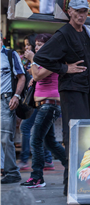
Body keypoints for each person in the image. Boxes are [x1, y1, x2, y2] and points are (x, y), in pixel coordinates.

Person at [33, 0, 90, 195]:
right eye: (77, 11)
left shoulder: (87, 31)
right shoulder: (63, 34)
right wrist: (65, 68)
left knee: (84, 136)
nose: (81, 15)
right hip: (71, 91)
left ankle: (77, 183)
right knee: (74, 136)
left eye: (84, 11)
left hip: (85, 90)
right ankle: (71, 185)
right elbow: (40, 57)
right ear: (69, 11)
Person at [20, 33, 67, 188]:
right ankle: (72, 166)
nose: (38, 47)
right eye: (37, 44)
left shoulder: (52, 59)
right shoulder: (43, 61)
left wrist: (33, 60)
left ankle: (37, 177)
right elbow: (36, 75)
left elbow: (39, 75)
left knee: (35, 139)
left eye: (42, 44)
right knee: (50, 142)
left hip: (49, 105)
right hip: (44, 105)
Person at [19, 34, 54, 170]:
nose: (27, 47)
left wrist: (32, 64)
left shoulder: (43, 59)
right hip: (39, 100)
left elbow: (38, 75)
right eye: (26, 44)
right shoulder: (30, 59)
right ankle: (48, 160)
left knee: (28, 129)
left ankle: (27, 161)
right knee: (46, 133)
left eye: (29, 44)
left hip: (43, 100)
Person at [0, 33, 25, 184]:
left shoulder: (10, 54)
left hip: (6, 100)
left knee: (4, 137)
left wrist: (16, 96)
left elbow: (21, 76)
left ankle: (12, 172)